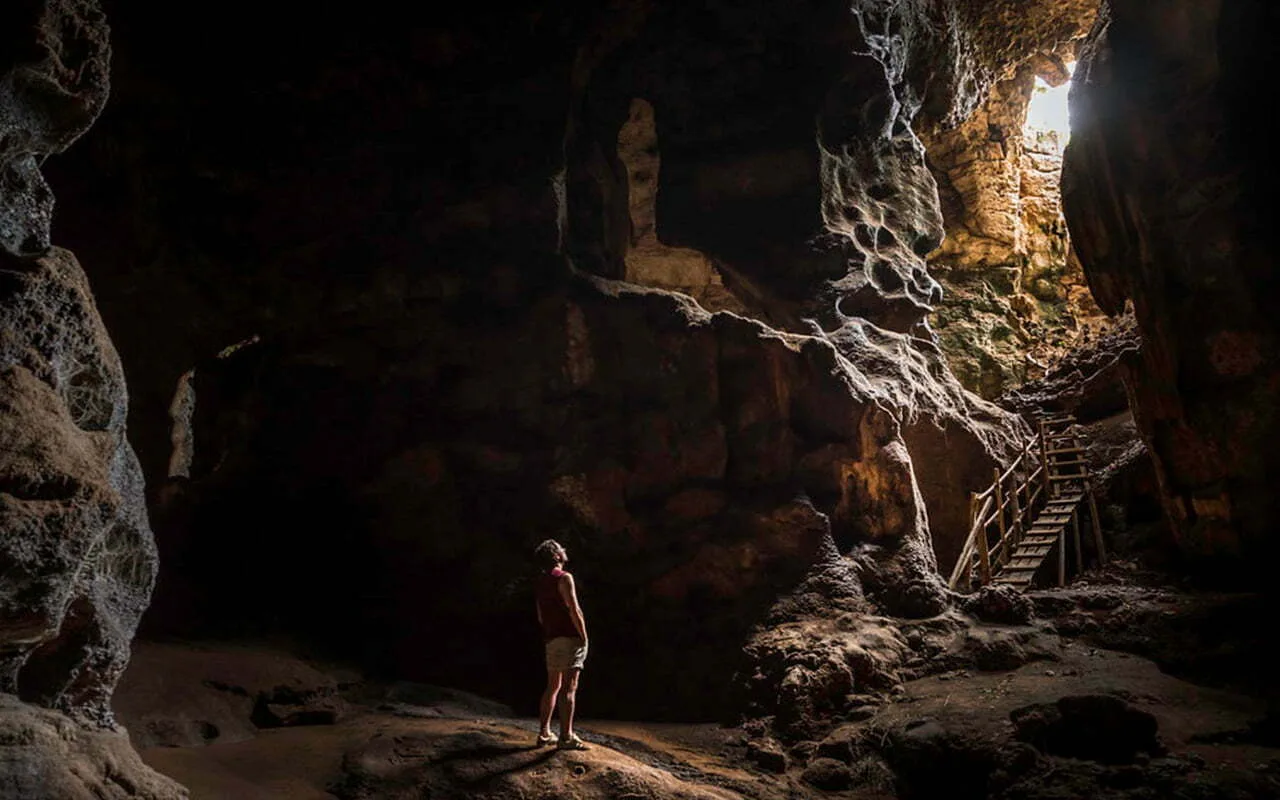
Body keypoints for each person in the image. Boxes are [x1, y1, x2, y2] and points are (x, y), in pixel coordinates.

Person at [533, 539, 589, 750]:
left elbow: (541, 615)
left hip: (551, 638)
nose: (564, 551)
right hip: (569, 637)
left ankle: (544, 733)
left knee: (552, 686)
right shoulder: (564, 578)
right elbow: (574, 609)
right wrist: (583, 636)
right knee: (569, 688)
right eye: (560, 549)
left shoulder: (541, 581)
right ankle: (566, 737)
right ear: (556, 556)